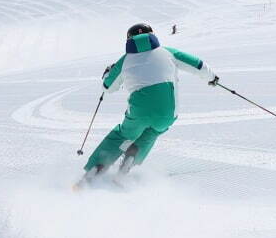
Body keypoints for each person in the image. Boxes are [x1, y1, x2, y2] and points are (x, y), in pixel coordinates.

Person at [79, 23, 217, 183]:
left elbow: (107, 87)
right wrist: (212, 78)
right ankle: (131, 158)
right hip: (168, 112)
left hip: (138, 112)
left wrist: (108, 73)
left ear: (128, 39)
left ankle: (97, 167)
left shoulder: (124, 61)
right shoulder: (168, 52)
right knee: (152, 132)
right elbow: (198, 65)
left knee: (123, 135)